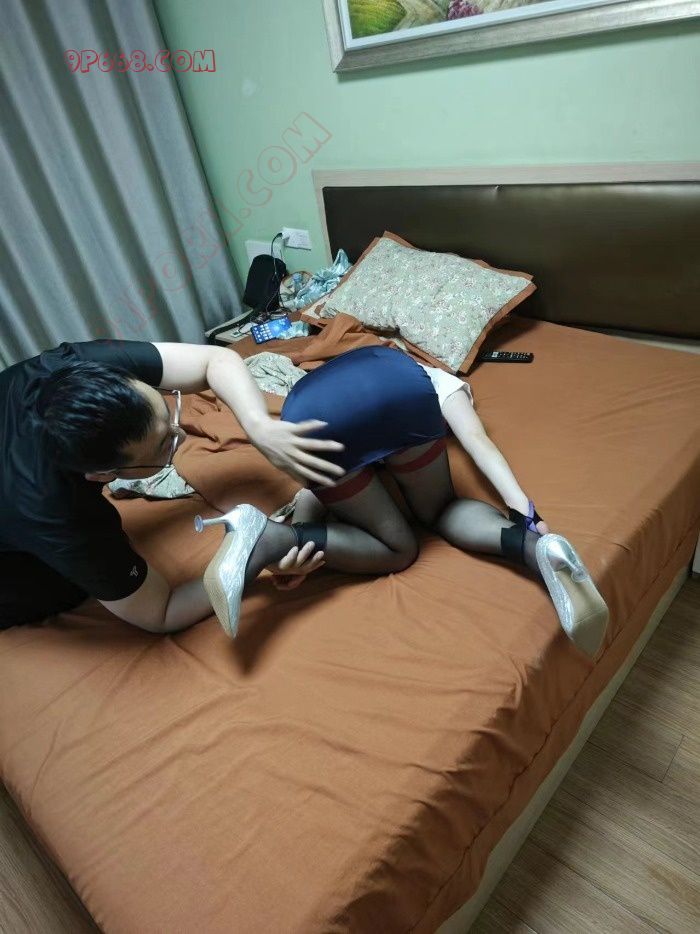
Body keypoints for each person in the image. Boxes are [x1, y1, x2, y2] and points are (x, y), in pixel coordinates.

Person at [196, 345, 610, 656]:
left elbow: (311, 489)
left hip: (309, 409)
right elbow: (477, 441)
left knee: (390, 539)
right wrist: (525, 510)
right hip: (399, 391)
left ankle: (271, 539)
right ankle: (535, 548)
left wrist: (302, 535)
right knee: (437, 511)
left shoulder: (365, 363)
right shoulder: (440, 381)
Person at [0, 339, 339, 634]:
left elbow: (215, 359)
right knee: (65, 589)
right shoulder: (57, 515)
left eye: (167, 410)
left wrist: (258, 424)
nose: (183, 435)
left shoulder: (76, 370)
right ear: (103, 475)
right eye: (166, 445)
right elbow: (161, 612)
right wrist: (249, 560)